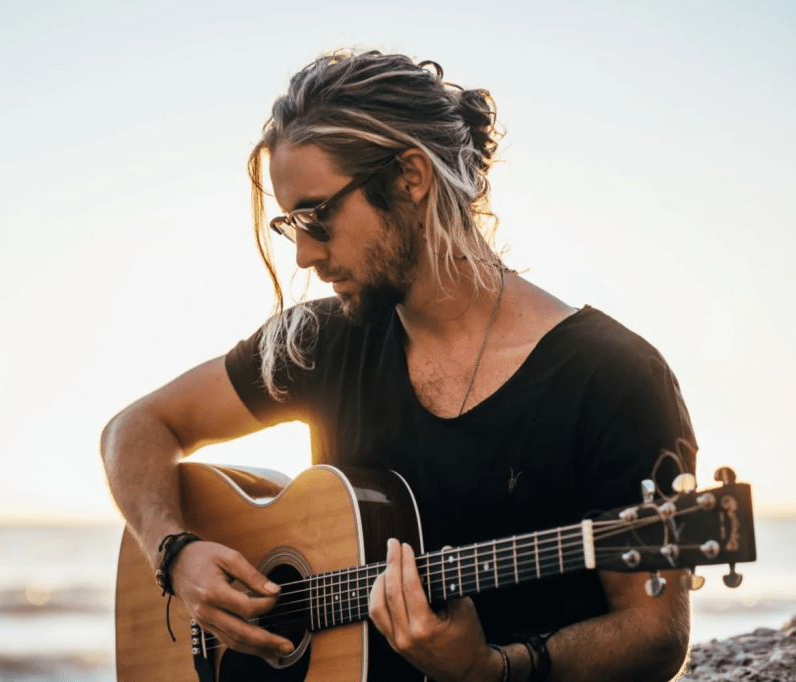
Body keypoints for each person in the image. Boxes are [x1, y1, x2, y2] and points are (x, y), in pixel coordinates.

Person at [101, 50, 696, 682]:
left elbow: (655, 634)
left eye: (316, 216)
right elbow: (135, 429)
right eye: (289, 225)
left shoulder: (613, 378)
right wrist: (175, 552)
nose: (303, 254)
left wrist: (492, 672)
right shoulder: (317, 341)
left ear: (410, 178)